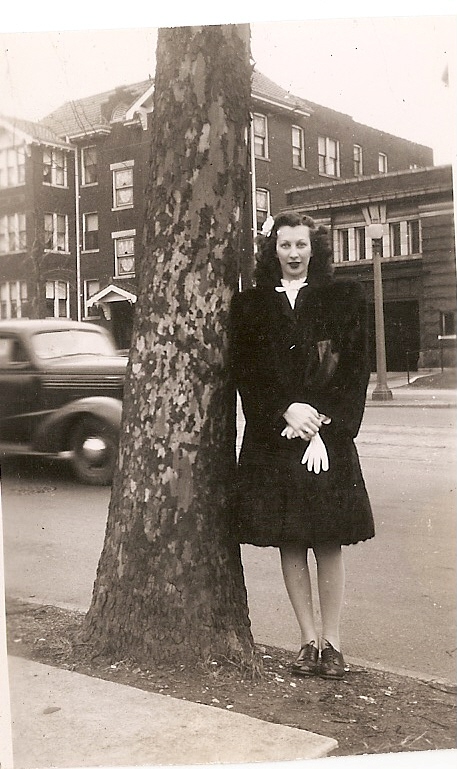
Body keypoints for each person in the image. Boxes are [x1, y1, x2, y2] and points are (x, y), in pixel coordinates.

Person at [230, 211, 374, 679]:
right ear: (273, 250)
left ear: (315, 249)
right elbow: (247, 372)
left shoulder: (342, 297)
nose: (294, 254)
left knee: (328, 538)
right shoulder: (250, 305)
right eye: (285, 245)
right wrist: (285, 412)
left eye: (301, 245)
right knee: (290, 538)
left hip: (327, 439)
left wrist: (324, 426)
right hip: (276, 438)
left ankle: (333, 644)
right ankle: (307, 640)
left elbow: (354, 367)